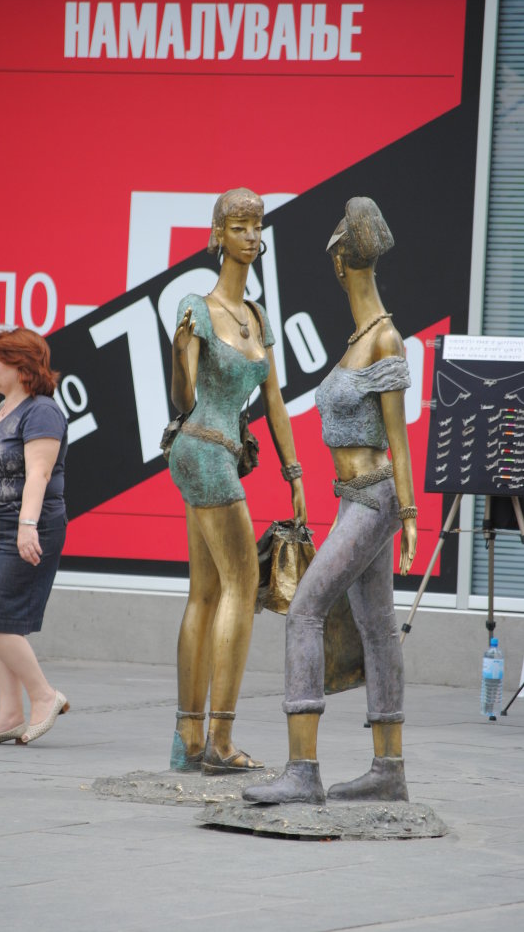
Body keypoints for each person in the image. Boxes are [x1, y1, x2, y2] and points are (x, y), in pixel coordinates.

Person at [243, 197, 417, 805]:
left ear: (342, 263)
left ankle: (303, 771)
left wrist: (412, 517)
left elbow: (398, 442)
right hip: (353, 499)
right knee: (376, 628)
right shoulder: (361, 339)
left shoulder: (384, 340)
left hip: (373, 500)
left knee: (305, 610)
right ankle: (388, 771)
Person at [167, 187, 307, 775]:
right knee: (243, 584)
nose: (252, 236)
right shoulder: (196, 307)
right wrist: (180, 355)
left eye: (257, 226)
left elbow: (275, 400)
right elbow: (184, 399)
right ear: (218, 236)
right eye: (240, 226)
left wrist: (294, 473)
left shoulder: (256, 317)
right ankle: (220, 743)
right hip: (202, 448)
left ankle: (188, 742)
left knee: (206, 590)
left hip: (220, 451)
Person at [0, 327, 70, 746]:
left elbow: (38, 473)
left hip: (22, 529)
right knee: (1, 619)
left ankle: (44, 696)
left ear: (21, 366)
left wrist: (27, 528)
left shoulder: (42, 411)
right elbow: (4, 456)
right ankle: (9, 715)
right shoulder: (3, 409)